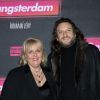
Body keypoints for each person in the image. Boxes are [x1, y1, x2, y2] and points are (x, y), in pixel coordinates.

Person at [47, 18, 100, 100]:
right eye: (60, 32)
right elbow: (52, 88)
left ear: (75, 33)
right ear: (56, 37)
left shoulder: (91, 51)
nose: (65, 34)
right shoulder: (52, 58)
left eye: (68, 30)